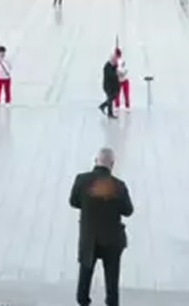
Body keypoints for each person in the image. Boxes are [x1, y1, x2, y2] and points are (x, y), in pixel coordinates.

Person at [69, 147, 134, 306]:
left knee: (85, 274)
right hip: (112, 240)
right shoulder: (118, 186)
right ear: (112, 164)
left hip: (89, 238)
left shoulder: (82, 180)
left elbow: (73, 202)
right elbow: (128, 211)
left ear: (95, 161)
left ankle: (83, 301)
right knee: (112, 279)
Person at [98, 54, 120, 119]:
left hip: (113, 86)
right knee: (110, 99)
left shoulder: (113, 66)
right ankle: (110, 113)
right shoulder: (107, 67)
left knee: (113, 97)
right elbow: (111, 75)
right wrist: (117, 74)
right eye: (115, 61)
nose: (116, 62)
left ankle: (103, 106)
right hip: (108, 87)